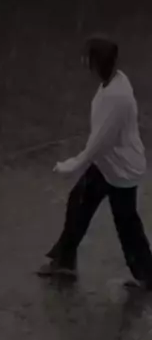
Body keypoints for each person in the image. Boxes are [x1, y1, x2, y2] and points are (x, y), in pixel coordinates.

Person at [38, 36, 152, 290]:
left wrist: (72, 164)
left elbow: (99, 143)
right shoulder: (115, 81)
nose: (84, 62)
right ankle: (65, 260)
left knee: (127, 224)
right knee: (79, 202)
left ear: (96, 63)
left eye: (88, 57)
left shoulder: (116, 98)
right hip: (109, 164)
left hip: (120, 170)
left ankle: (148, 275)